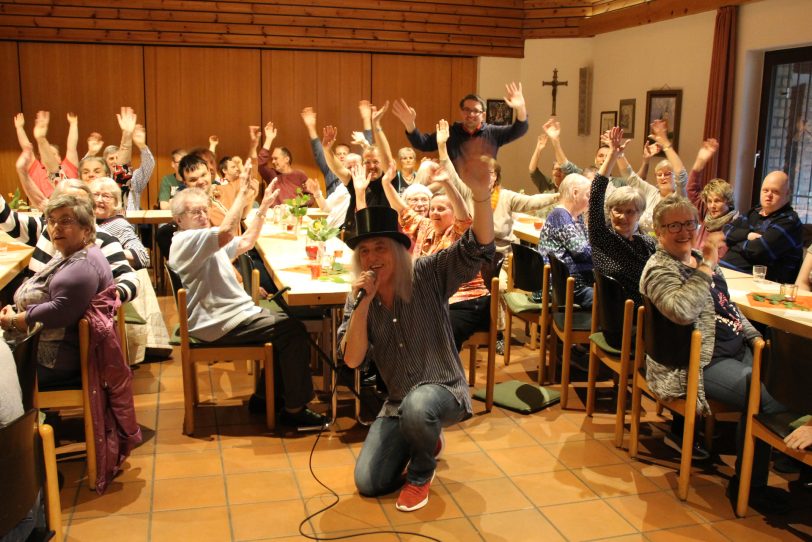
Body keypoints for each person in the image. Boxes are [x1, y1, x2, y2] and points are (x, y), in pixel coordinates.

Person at [338, 151, 495, 512]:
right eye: (365, 250)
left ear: (397, 249)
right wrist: (363, 303)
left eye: (381, 247)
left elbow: (478, 246)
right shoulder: (359, 296)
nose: (373, 256)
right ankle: (424, 438)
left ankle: (422, 472)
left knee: (420, 404)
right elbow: (352, 358)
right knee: (369, 482)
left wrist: (481, 196)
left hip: (443, 391)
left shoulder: (425, 273)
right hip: (397, 403)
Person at [639, 194, 788, 514]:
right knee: (761, 395)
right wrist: (706, 266)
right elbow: (681, 310)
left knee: (787, 379)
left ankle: (778, 466)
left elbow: (728, 307)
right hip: (696, 363)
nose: (683, 231)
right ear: (659, 232)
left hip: (734, 350)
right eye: (674, 225)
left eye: (689, 223)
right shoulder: (658, 268)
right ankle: (752, 483)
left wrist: (754, 339)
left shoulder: (697, 256)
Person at [168, 164, 326, 430]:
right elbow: (227, 232)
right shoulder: (185, 241)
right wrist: (242, 193)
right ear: (179, 219)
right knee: (293, 331)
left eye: (205, 210)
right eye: (195, 212)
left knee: (283, 325)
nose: (203, 216)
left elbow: (244, 243)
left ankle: (265, 397)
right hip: (217, 322)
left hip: (235, 313)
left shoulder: (202, 239)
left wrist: (262, 207)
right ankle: (295, 409)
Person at [0, 195, 112, 386]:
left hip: (52, 361)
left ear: (86, 228)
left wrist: (14, 320)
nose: (56, 227)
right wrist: (13, 308)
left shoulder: (83, 266)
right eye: (51, 221)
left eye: (65, 221)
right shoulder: (69, 253)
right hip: (35, 346)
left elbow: (60, 312)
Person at [588, 127, 656, 308]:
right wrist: (612, 154)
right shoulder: (602, 237)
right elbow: (596, 192)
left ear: (639, 214)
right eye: (617, 210)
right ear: (609, 211)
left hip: (652, 312)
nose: (622, 217)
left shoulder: (647, 243)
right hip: (623, 319)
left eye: (630, 212)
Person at [391, 83, 528, 166]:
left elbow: (519, 130)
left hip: (486, 189)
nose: (471, 114)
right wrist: (410, 124)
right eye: (467, 110)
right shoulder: (450, 132)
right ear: (461, 112)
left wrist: (521, 108)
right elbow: (423, 143)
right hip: (456, 190)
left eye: (476, 111)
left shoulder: (493, 133)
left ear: (483, 115)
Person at [720, 170, 803, 284]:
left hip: (763, 287)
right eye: (765, 190)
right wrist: (747, 235)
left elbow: (759, 250)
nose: (768, 195)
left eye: (775, 191)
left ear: (787, 194)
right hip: (729, 276)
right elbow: (725, 232)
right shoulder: (754, 212)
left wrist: (735, 242)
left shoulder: (789, 221)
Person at [537, 173, 594, 308]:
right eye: (588, 195)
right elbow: (582, 252)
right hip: (561, 285)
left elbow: (588, 247)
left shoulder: (577, 217)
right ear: (575, 193)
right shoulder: (560, 215)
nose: (590, 200)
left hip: (573, 282)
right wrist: (604, 254)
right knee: (606, 301)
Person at [685, 139, 737, 256]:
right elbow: (691, 190)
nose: (712, 206)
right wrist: (700, 161)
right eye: (709, 201)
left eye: (717, 201)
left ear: (728, 202)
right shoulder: (706, 214)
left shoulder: (733, 224)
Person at [89, 177, 150, 270]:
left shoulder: (119, 224)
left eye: (106, 196)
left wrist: (107, 251)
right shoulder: (83, 222)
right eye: (95, 195)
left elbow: (142, 256)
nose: (99, 200)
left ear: (116, 202)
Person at [257, 122, 310, 205]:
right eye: (272, 159)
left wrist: (301, 203)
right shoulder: (272, 175)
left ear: (286, 159)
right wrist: (269, 139)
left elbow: (311, 195)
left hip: (294, 214)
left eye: (276, 158)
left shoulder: (300, 175)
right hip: (275, 215)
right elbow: (261, 164)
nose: (273, 162)